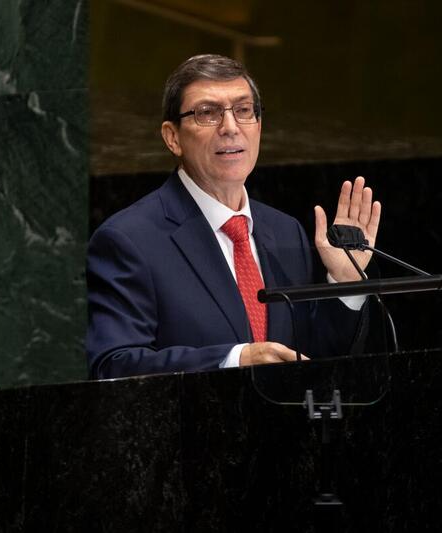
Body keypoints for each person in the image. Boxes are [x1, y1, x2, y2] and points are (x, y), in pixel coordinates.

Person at [86, 54, 382, 379]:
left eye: (243, 111)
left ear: (259, 126)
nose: (230, 128)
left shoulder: (285, 231)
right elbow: (114, 366)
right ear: (173, 137)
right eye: (207, 113)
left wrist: (344, 283)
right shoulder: (129, 240)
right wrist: (234, 360)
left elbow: (315, 362)